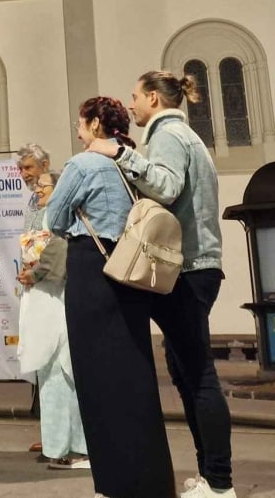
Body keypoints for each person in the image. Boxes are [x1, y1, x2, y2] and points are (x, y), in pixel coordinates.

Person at [89, 70, 235, 498]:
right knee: (187, 372)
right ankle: (209, 476)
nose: (130, 104)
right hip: (197, 267)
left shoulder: (169, 135)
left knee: (198, 375)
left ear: (153, 98)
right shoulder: (183, 136)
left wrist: (119, 153)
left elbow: (168, 187)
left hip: (187, 270)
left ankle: (220, 483)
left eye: (134, 96)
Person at [45, 96, 174, 498]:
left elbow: (56, 218)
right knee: (135, 374)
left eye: (81, 125)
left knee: (96, 379)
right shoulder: (131, 163)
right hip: (132, 271)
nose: (79, 132)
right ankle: (150, 480)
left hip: (92, 270)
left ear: (97, 124)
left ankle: (113, 483)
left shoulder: (82, 164)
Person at [14, 145, 87, 471]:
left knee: (62, 368)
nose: (28, 178)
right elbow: (37, 242)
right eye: (23, 171)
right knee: (49, 368)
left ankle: (72, 446)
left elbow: (57, 245)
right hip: (43, 295)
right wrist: (28, 270)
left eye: (32, 170)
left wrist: (38, 271)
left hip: (57, 296)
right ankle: (57, 439)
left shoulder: (60, 205)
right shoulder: (35, 205)